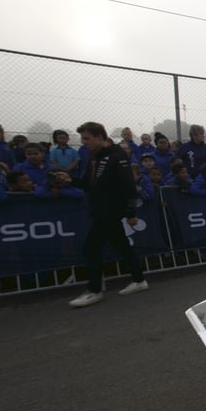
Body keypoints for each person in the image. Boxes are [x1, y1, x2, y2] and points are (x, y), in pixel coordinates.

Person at [65, 121, 148, 308]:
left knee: (91, 248)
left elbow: (129, 186)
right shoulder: (93, 157)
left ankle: (94, 290)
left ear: (99, 137)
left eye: (86, 138)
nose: (84, 142)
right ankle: (139, 280)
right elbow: (89, 184)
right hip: (99, 209)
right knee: (122, 245)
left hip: (110, 211)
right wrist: (70, 180)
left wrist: (130, 212)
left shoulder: (117, 155)